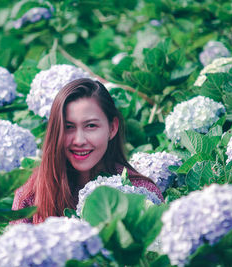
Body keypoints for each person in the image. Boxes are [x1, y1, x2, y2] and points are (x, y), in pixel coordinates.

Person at [11, 78, 163, 224]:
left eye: (90, 126)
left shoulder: (141, 191)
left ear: (112, 128)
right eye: (68, 127)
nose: (79, 140)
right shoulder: (31, 194)